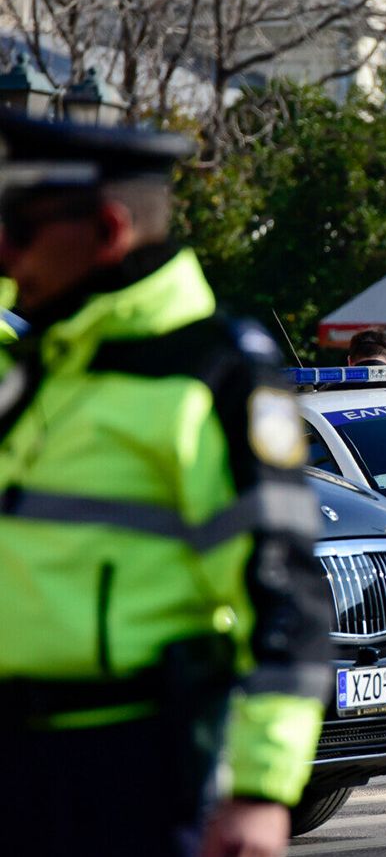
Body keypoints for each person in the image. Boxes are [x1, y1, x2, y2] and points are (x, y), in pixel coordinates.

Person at [0, 111, 332, 854]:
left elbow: (285, 597)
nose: (4, 250)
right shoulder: (43, 360)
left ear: (108, 230)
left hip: (132, 769)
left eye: (18, 227)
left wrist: (261, 792)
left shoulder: (215, 376)